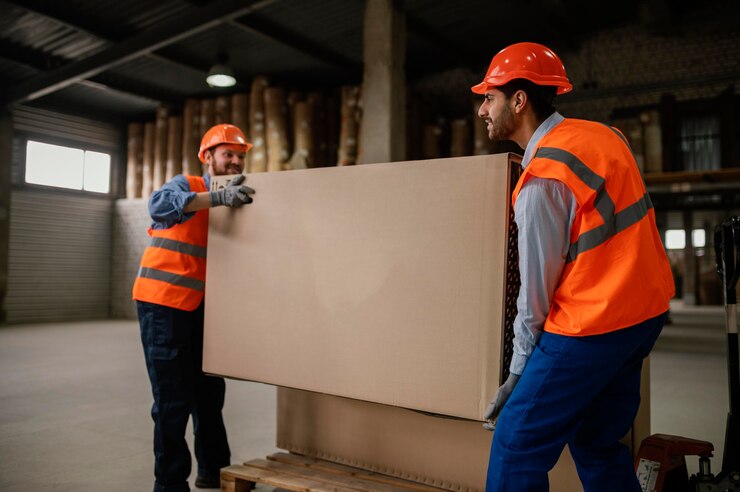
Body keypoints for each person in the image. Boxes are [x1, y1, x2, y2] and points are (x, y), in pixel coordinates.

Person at [472, 42, 675, 491]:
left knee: (515, 445)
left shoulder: (543, 178)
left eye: (489, 97)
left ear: (519, 100)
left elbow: (535, 296)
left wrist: (518, 371)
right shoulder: (604, 136)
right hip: (644, 315)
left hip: (592, 325)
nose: (482, 109)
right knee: (595, 439)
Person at [132, 123, 255, 491]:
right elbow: (158, 205)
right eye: (227, 154)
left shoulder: (241, 196)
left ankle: (213, 470)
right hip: (163, 303)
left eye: (240, 155)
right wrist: (216, 199)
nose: (235, 161)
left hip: (203, 307)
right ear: (208, 157)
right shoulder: (187, 184)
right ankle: (169, 485)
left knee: (209, 393)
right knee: (173, 399)